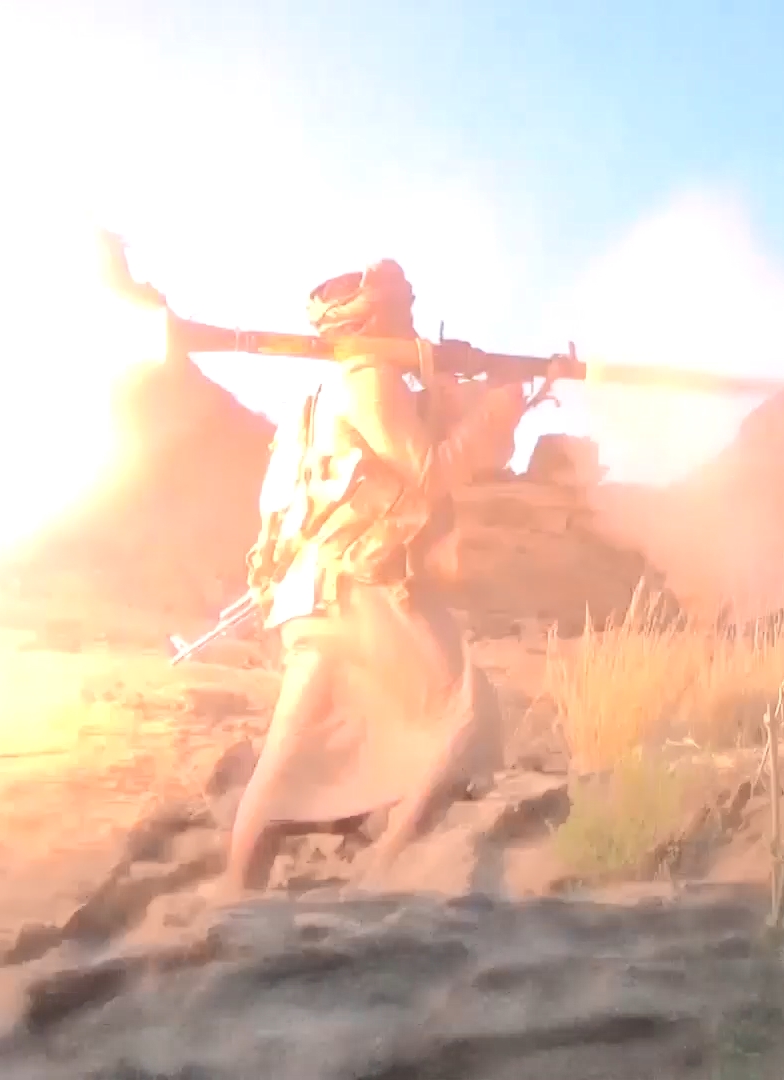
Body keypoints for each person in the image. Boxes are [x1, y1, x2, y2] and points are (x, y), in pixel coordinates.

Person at [219, 258, 552, 895]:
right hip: (358, 591)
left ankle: (236, 889)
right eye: (402, 310)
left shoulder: (325, 394)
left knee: (288, 754)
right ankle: (387, 869)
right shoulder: (371, 380)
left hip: (314, 592)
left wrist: (471, 394)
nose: (412, 320)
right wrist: (501, 406)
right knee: (465, 712)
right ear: (375, 319)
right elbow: (430, 471)